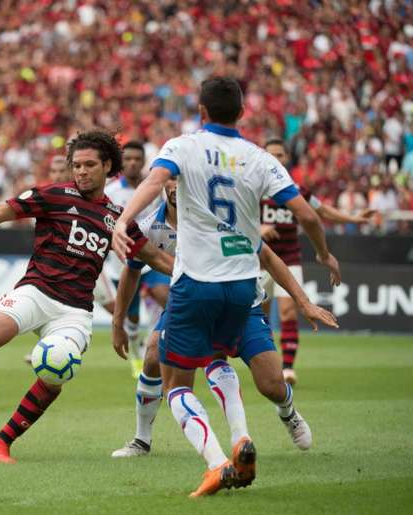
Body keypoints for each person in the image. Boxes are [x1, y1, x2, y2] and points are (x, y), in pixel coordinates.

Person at [112, 77, 341, 497]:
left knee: (178, 386)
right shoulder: (258, 158)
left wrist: (122, 222)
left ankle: (218, 464)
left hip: (197, 283)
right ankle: (240, 438)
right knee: (216, 360)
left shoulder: (182, 147)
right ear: (241, 113)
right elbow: (306, 215)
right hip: (242, 286)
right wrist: (324, 253)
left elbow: (148, 183)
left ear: (200, 111)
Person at [0, 130, 174, 465]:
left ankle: (0, 443)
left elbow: (156, 258)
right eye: (77, 165)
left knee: (55, 373)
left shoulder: (117, 219)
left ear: (107, 166)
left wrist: (206, 276)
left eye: (90, 164)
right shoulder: (54, 196)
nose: (81, 171)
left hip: (74, 312)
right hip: (37, 291)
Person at [260, 139, 374, 385]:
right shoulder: (253, 187)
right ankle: (268, 365)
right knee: (261, 317)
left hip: (289, 258)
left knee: (289, 311)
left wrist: (353, 219)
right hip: (259, 260)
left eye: (280, 154)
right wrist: (258, 228)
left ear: (287, 157)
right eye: (271, 155)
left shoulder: (296, 190)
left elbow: (321, 212)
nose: (276, 159)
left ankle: (288, 368)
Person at [103, 141, 165, 377]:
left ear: (142, 162)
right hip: (122, 262)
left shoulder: (154, 190)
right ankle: (138, 352)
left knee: (166, 297)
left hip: (151, 256)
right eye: (127, 159)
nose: (132, 163)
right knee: (133, 315)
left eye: (137, 159)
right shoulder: (111, 192)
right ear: (121, 162)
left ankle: (163, 346)